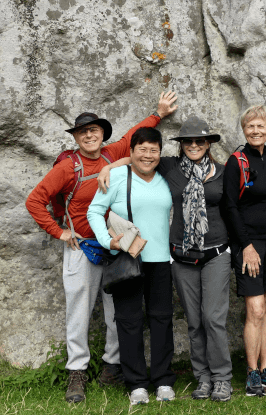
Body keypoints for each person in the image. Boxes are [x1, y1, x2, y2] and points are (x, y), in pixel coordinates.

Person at [25, 92, 178, 404]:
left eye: (94, 131)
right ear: (77, 138)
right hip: (82, 246)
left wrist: (158, 114)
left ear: (102, 134)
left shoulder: (111, 154)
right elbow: (35, 200)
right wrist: (60, 232)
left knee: (117, 314)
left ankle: (112, 365)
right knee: (79, 311)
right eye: (83, 132)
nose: (89, 135)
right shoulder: (68, 167)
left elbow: (136, 142)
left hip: (117, 249)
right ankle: (77, 371)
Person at [97, 116, 234, 402]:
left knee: (191, 319)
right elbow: (137, 159)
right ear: (180, 146)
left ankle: (206, 378)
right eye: (188, 141)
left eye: (199, 141)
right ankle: (177, 380)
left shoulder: (220, 171)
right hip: (160, 256)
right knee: (170, 321)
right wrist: (109, 165)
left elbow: (235, 206)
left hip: (189, 254)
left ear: (208, 144)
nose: (194, 145)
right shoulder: (170, 167)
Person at [87, 127, 176, 406]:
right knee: (128, 321)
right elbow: (94, 211)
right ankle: (136, 383)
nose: (148, 155)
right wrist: (107, 241)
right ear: (132, 151)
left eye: (153, 150)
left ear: (159, 153)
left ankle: (163, 380)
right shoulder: (115, 177)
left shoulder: (166, 176)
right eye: (142, 149)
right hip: (127, 260)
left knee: (161, 319)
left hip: (161, 260)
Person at [221, 105, 266, 397]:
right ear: (243, 129)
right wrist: (246, 247)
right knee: (256, 309)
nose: (255, 131)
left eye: (261, 126)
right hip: (249, 243)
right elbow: (229, 206)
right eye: (250, 126)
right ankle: (251, 373)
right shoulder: (236, 162)